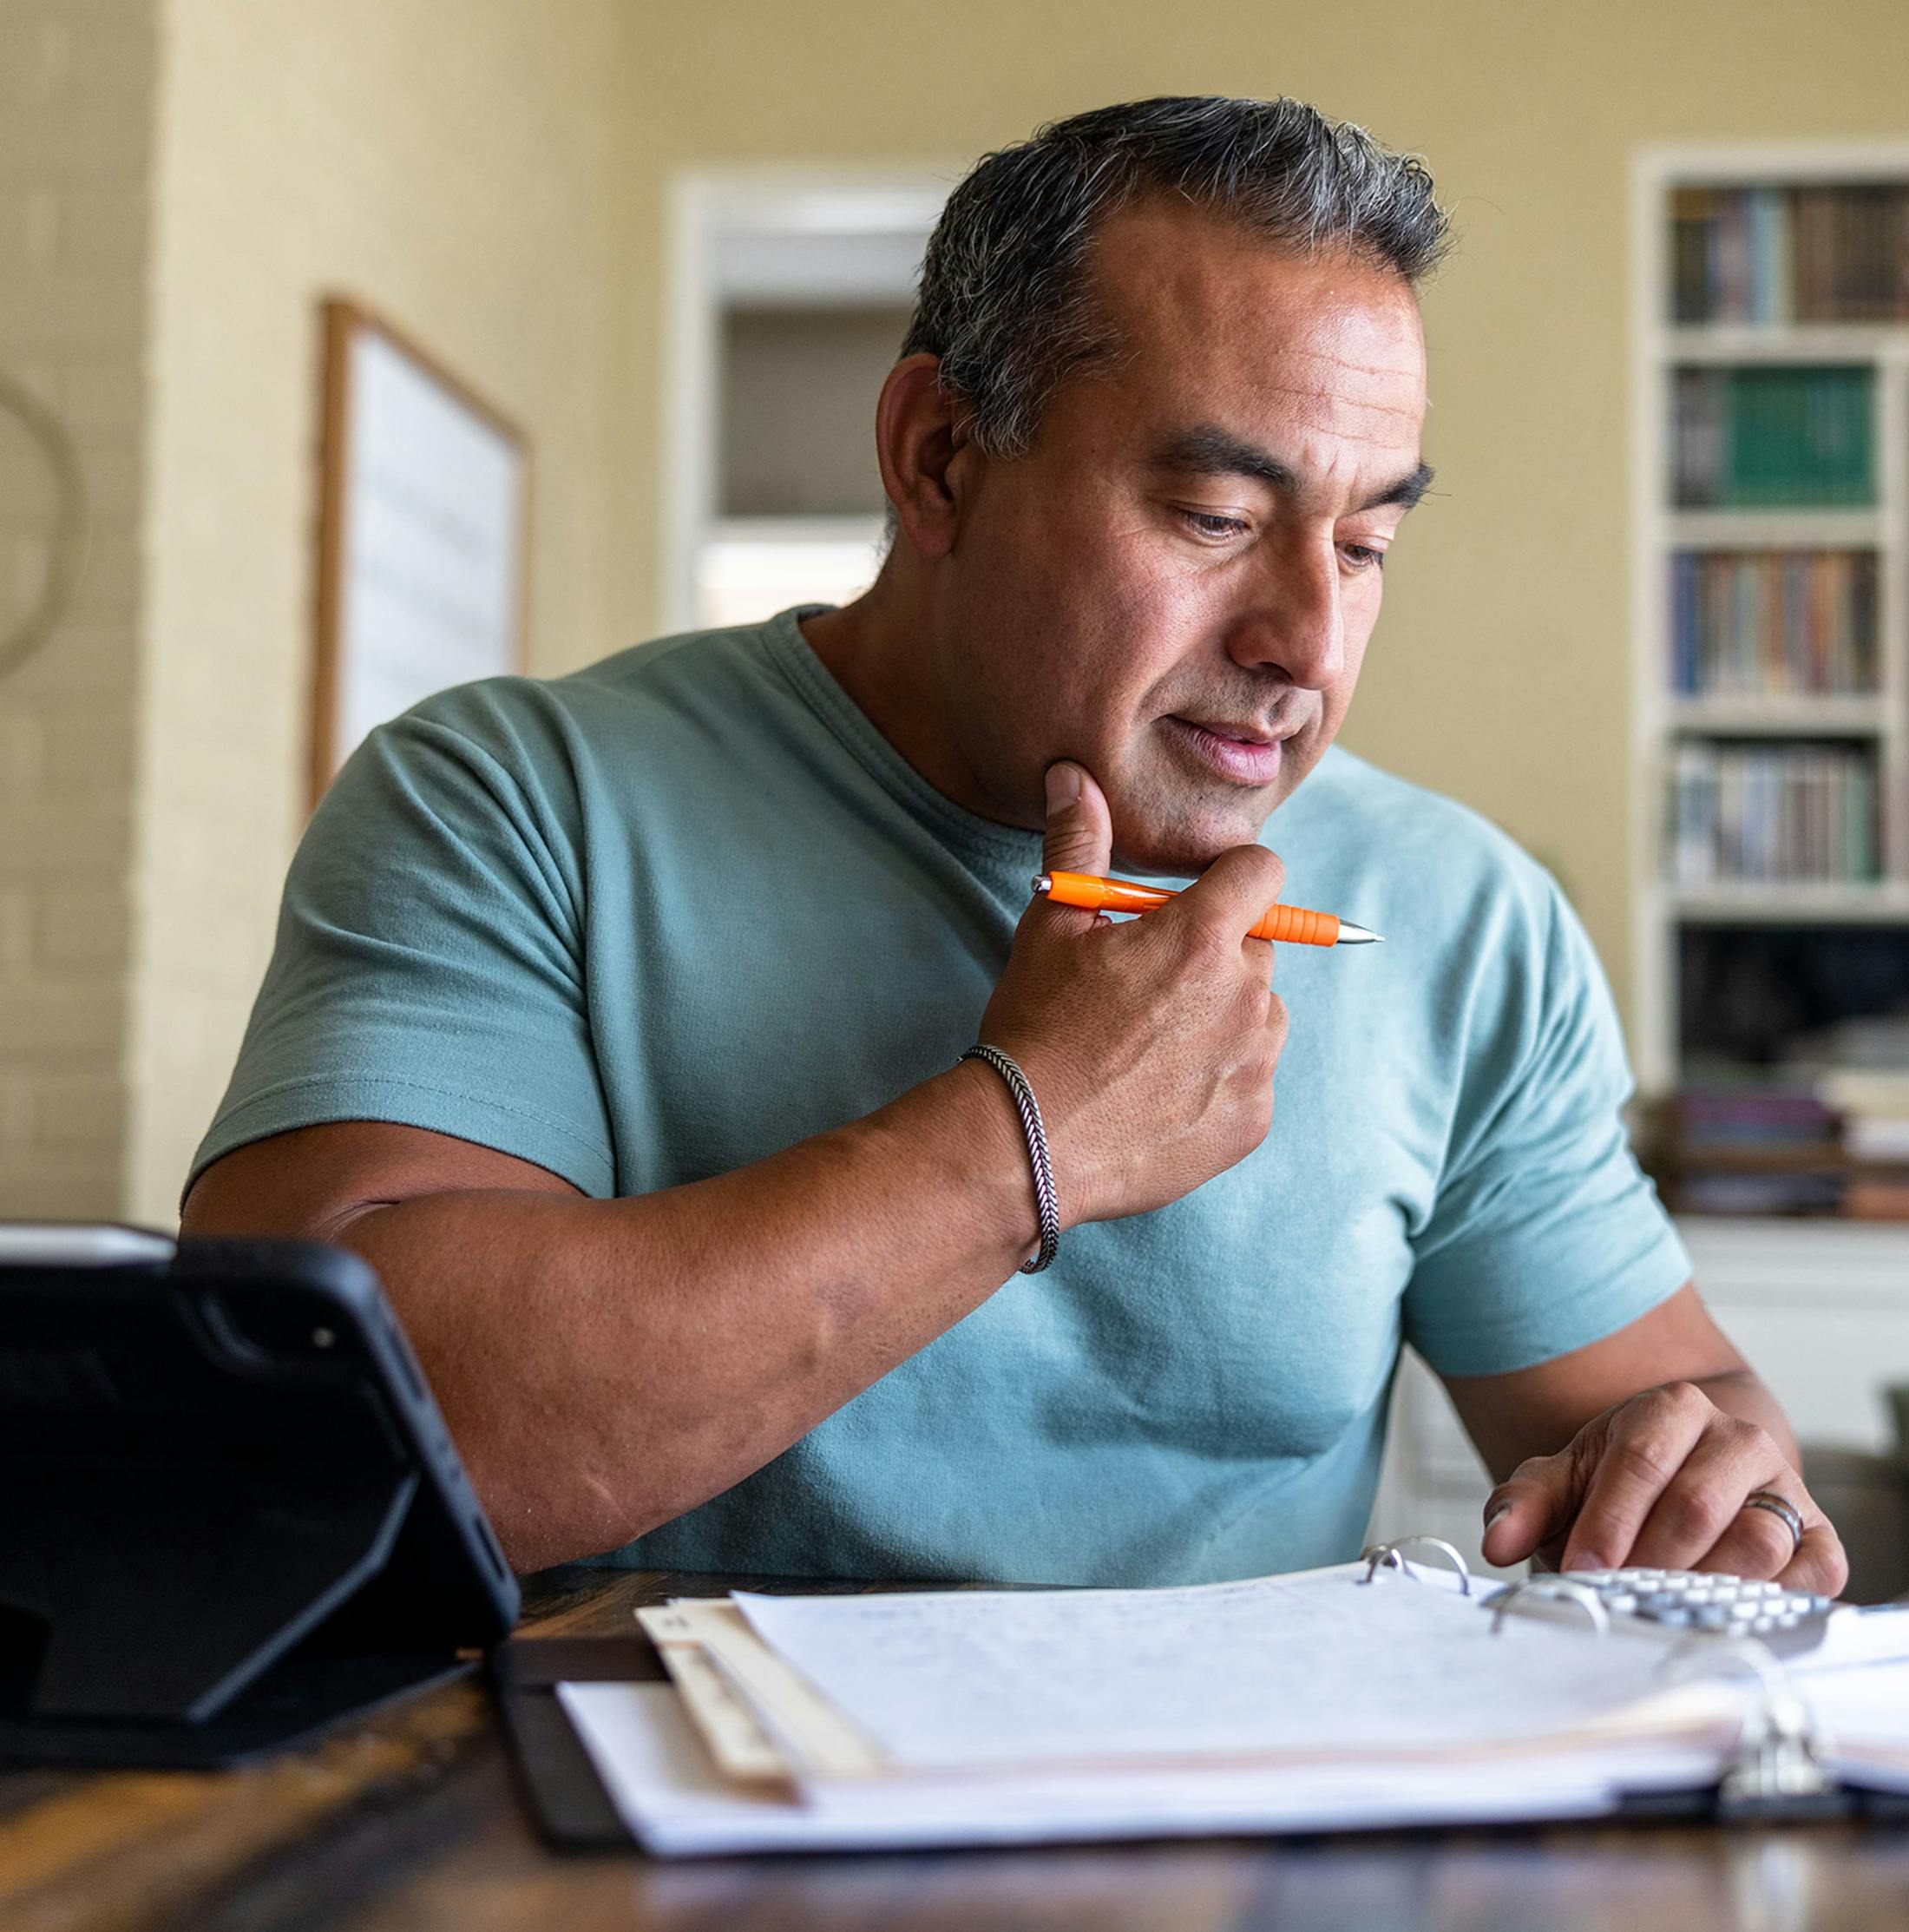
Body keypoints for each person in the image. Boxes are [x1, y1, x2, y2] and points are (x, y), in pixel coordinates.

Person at [182, 95, 1847, 1594]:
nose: (1306, 639)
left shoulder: (1467, 918)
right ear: (939, 458)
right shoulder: (508, 800)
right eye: (1215, 519)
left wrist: (1709, 1482)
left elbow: (1664, 1409)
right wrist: (1028, 1137)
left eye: (1366, 540)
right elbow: (332, 1443)